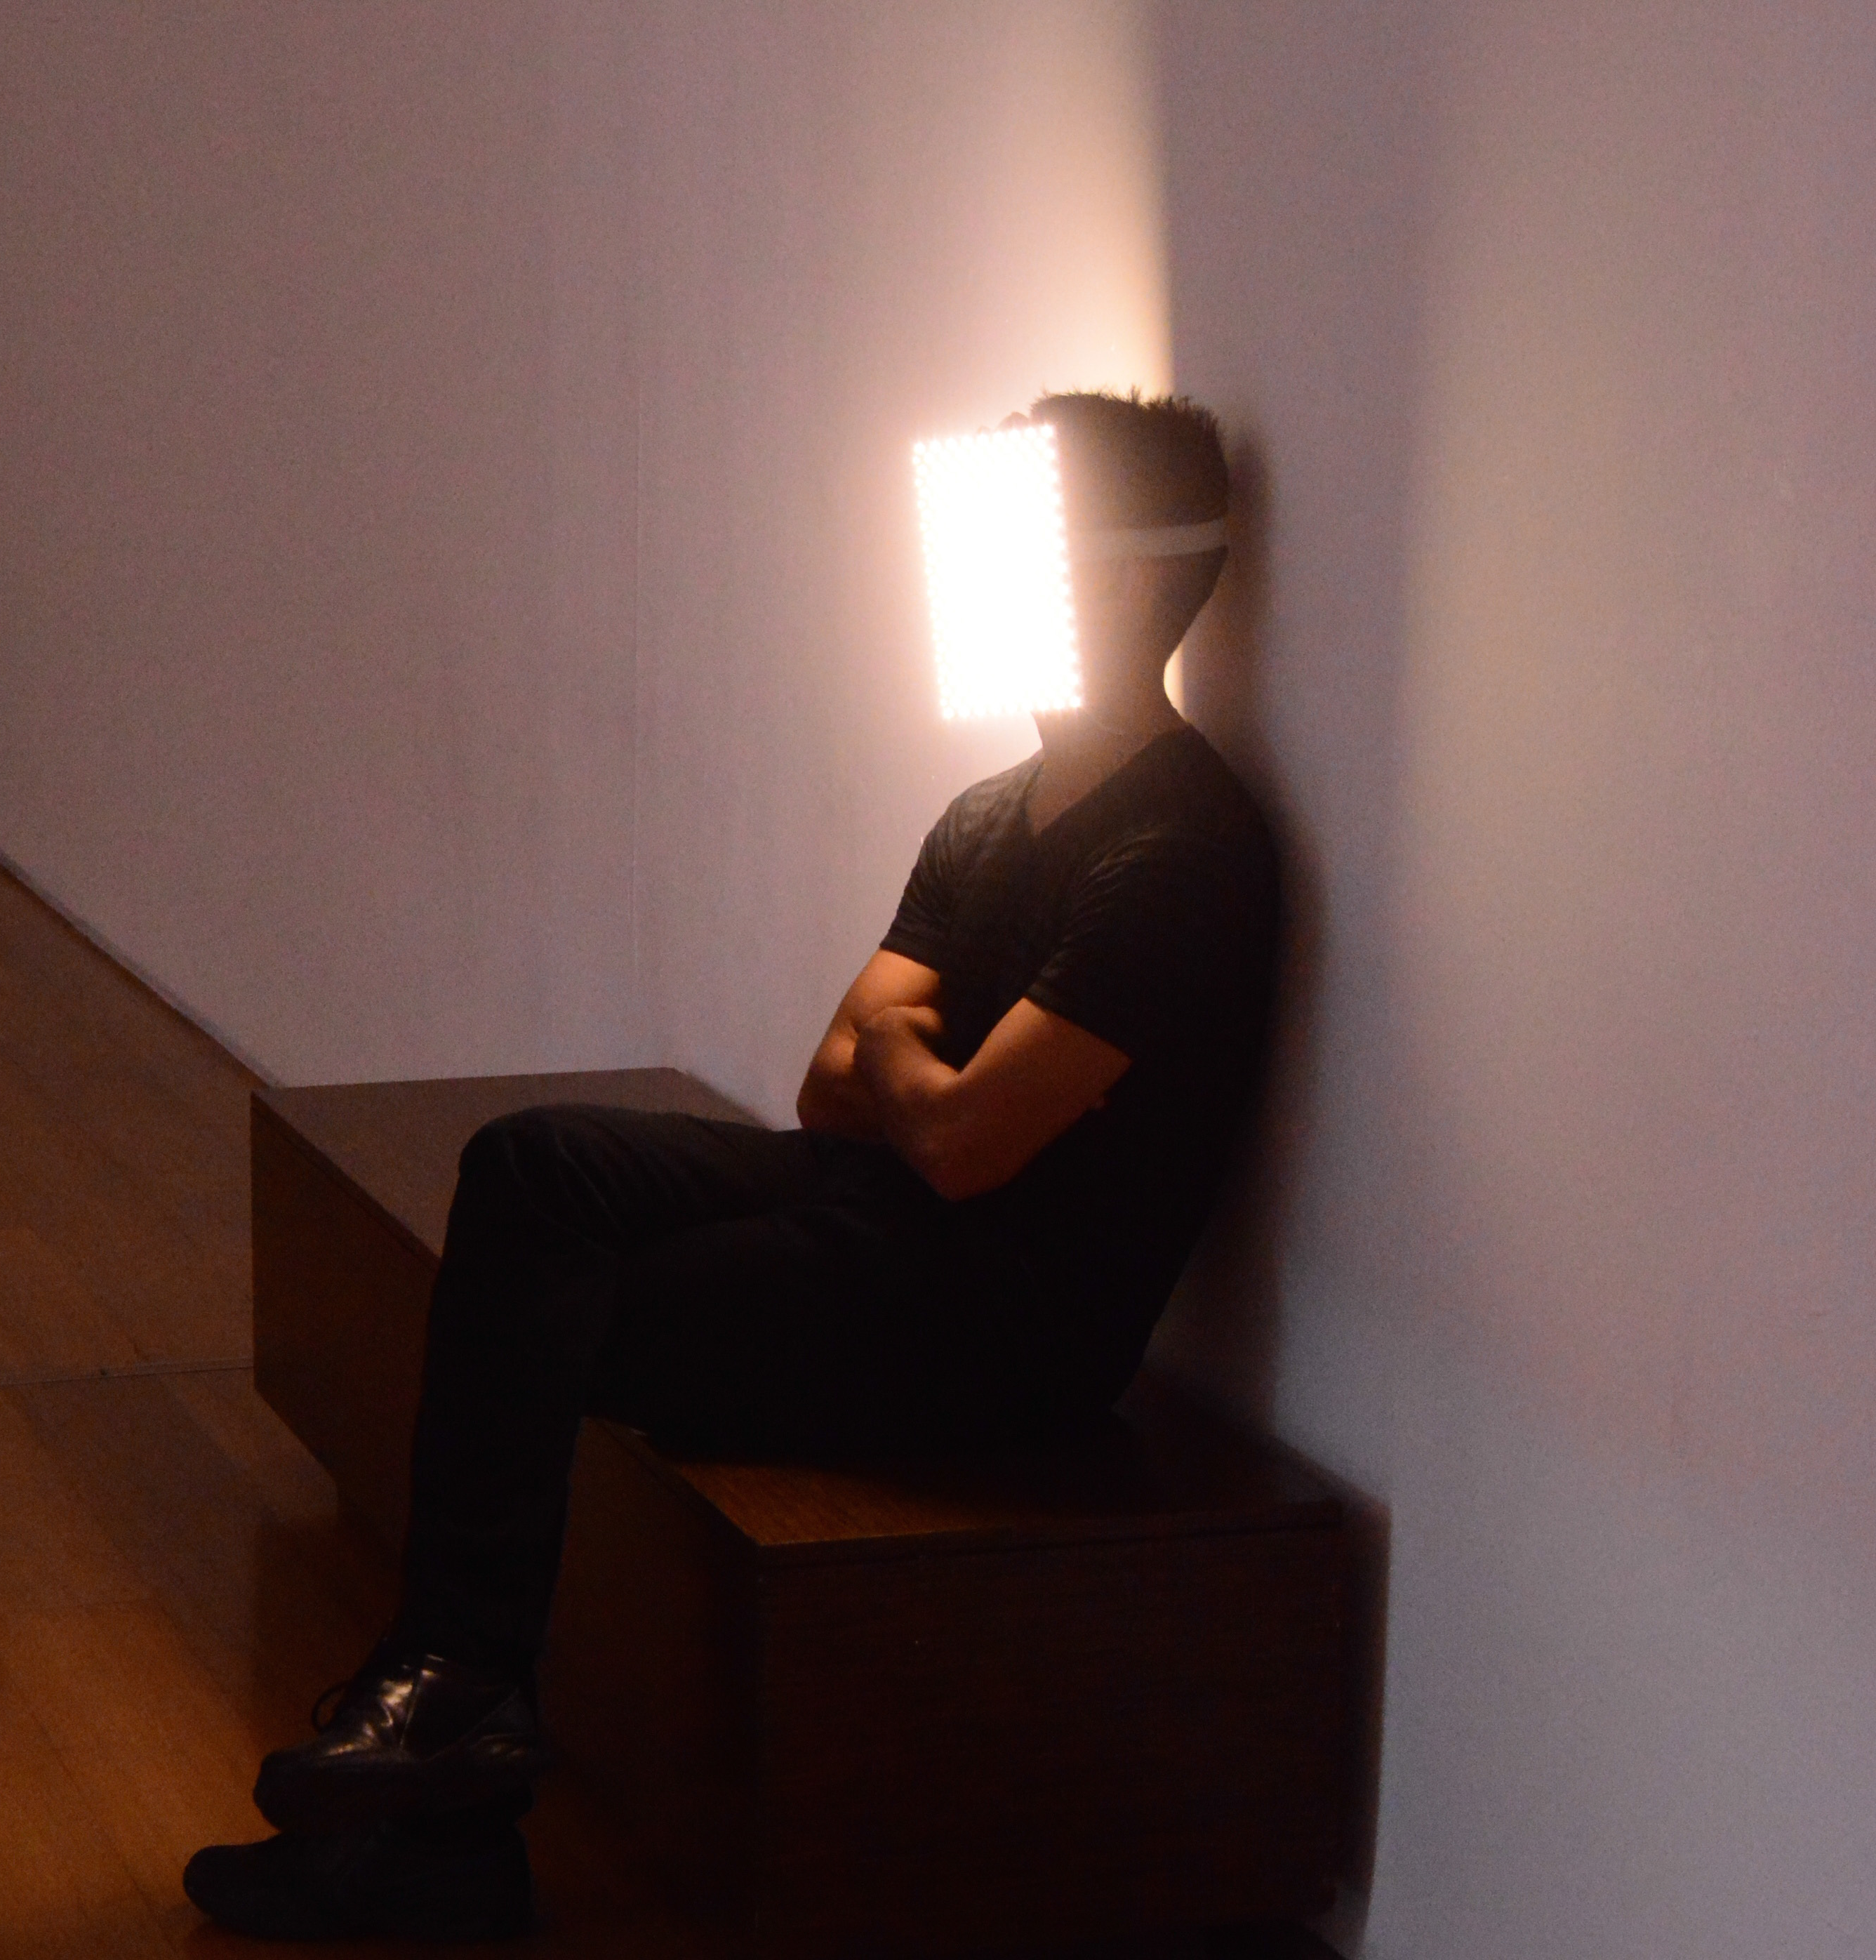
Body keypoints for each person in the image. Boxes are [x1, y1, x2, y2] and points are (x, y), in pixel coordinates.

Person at [183, 389, 1280, 1941]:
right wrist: (915, 1065)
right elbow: (830, 1085)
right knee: (532, 1168)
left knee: (561, 1309)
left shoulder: (1181, 848)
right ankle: (449, 1712)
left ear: (1122, 577)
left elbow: (963, 1145)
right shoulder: (989, 813)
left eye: (1014, 541)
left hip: (999, 1328)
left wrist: (905, 1056)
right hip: (876, 1218)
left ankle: (444, 1788)